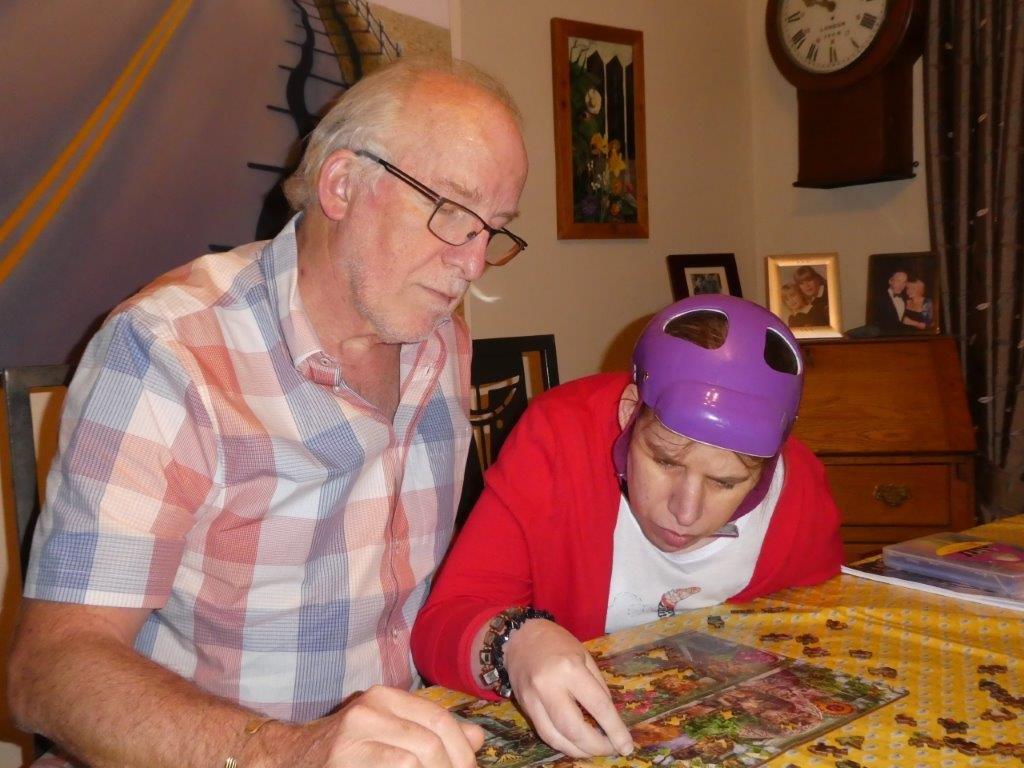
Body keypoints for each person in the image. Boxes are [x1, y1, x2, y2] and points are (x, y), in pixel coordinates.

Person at [8, 58, 529, 768]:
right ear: (342, 184)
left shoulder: (441, 345)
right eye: (452, 213)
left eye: (492, 231)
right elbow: (49, 672)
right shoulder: (170, 352)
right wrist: (288, 754)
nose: (471, 264)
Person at [411, 295, 844, 760]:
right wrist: (513, 642)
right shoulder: (557, 438)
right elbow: (439, 628)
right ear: (629, 411)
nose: (686, 510)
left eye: (726, 481)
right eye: (664, 460)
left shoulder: (798, 484)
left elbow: (820, 635)